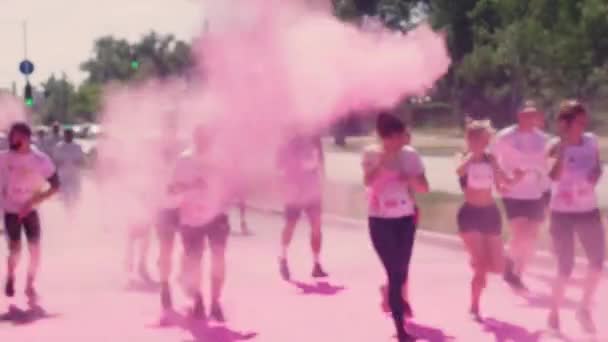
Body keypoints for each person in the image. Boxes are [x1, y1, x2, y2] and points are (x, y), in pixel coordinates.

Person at [362, 113, 429, 342]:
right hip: (380, 220)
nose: (403, 140)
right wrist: (383, 162)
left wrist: (408, 178)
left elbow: (424, 188)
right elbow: (368, 181)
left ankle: (391, 295)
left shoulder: (410, 155)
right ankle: (400, 329)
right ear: (386, 137)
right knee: (395, 271)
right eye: (398, 136)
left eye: (404, 135)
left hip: (404, 218)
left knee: (401, 270)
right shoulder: (371, 153)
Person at [456, 119, 523, 320]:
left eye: (486, 140)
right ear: (470, 140)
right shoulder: (462, 158)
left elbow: (503, 185)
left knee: (497, 267)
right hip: (470, 214)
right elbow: (459, 171)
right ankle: (474, 307)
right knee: (480, 265)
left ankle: (501, 262)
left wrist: (517, 178)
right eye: (480, 139)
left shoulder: (491, 159)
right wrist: (473, 155)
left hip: (490, 213)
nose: (484, 144)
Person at [547, 101, 605, 334]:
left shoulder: (591, 141)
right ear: (564, 124)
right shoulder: (553, 146)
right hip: (562, 213)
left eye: (584, 122)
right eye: (578, 122)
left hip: (588, 210)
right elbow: (553, 176)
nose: (583, 126)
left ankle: (583, 308)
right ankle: (553, 312)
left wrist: (594, 176)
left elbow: (598, 167)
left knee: (598, 264)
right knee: (565, 268)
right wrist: (562, 150)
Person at [170, 126, 231, 322]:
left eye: (208, 138)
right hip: (191, 218)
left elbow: (229, 184)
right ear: (195, 139)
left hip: (217, 215)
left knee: (218, 259)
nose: (205, 141)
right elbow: (172, 189)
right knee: (193, 263)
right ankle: (198, 300)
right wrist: (191, 186)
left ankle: (215, 303)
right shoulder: (184, 160)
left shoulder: (220, 159)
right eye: (201, 138)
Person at [491, 104, 549, 291]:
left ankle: (515, 269)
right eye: (526, 115)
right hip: (513, 191)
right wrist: (500, 181)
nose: (530, 119)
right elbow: (492, 160)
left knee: (530, 236)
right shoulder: (505, 136)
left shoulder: (544, 139)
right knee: (520, 232)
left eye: (534, 115)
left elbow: (549, 165)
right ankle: (513, 272)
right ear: (519, 115)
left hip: (536, 192)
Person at [0, 122, 60, 300]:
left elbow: (55, 185)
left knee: (35, 250)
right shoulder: (3, 158)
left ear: (26, 138)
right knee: (16, 250)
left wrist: (35, 201)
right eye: (10, 136)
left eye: (15, 136)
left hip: (31, 210)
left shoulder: (41, 160)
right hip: (11, 209)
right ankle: (10, 275)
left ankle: (29, 284)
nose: (11, 139)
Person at [379, 123, 418, 316]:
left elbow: (417, 186)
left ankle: (400, 297)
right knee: (397, 264)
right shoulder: (386, 160)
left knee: (404, 263)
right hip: (389, 216)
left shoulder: (410, 159)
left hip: (409, 211)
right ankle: (395, 296)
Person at [277, 132, 327, 281]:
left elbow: (321, 161)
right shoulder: (288, 140)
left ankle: (316, 264)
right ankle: (283, 257)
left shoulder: (315, 138)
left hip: (313, 190)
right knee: (290, 225)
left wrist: (322, 181)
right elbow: (280, 166)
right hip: (295, 190)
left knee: (316, 227)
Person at [53, 128, 85, 212]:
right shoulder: (59, 146)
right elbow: (55, 161)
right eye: (66, 134)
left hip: (75, 174)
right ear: (64, 135)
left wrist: (77, 162)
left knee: (75, 194)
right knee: (65, 195)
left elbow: (82, 160)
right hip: (63, 174)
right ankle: (67, 210)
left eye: (70, 134)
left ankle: (75, 210)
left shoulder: (78, 146)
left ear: (72, 135)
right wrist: (60, 163)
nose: (68, 136)